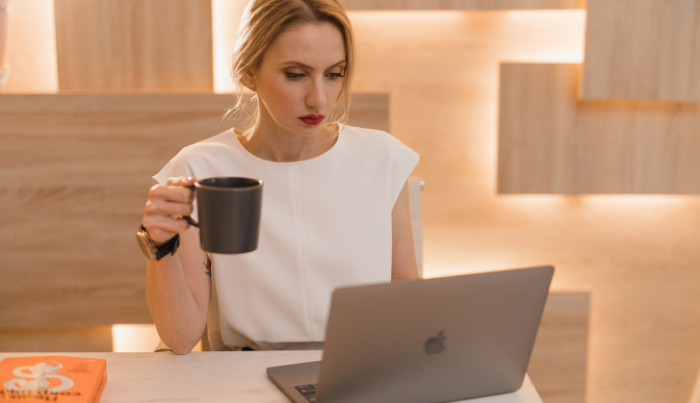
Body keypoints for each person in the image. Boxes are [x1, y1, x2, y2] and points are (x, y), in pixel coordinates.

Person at [138, 0, 420, 354]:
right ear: (248, 71)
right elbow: (180, 338)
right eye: (296, 74)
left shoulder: (382, 158)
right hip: (246, 379)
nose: (319, 99)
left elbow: (405, 298)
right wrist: (159, 246)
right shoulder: (200, 171)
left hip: (360, 370)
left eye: (334, 74)